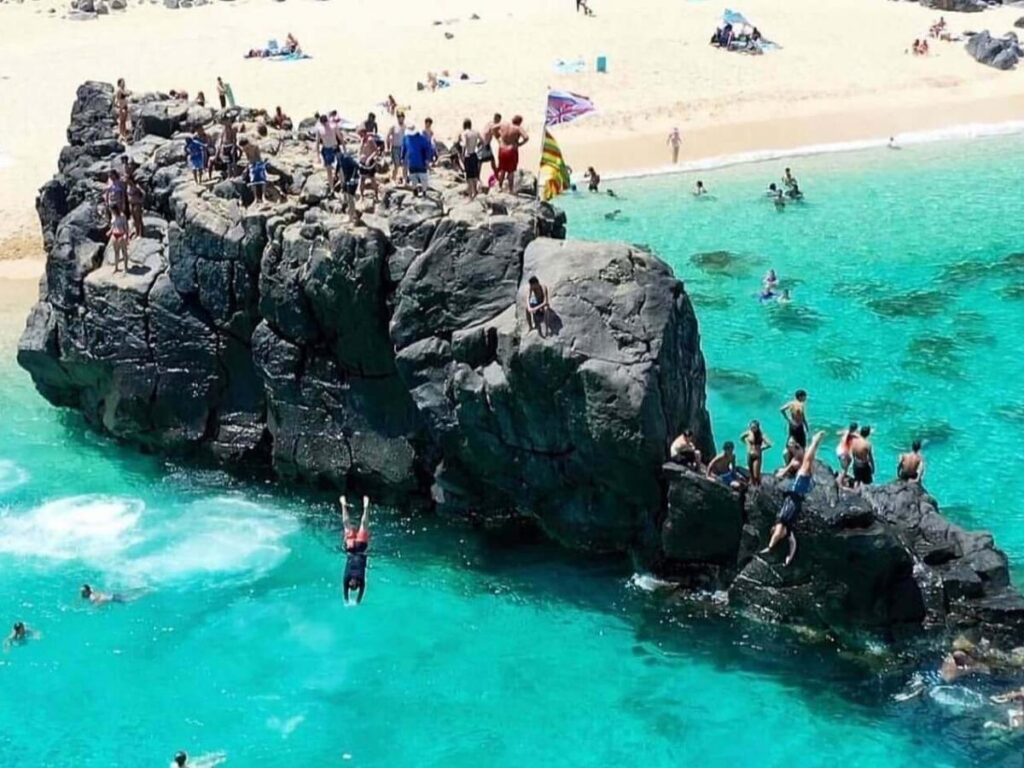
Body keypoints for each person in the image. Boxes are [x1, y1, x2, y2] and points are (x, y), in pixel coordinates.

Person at [761, 430, 825, 566]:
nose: (776, 530)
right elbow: (792, 544)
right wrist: (783, 555)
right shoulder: (786, 527)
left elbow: (787, 542)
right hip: (797, 493)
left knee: (807, 462)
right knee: (807, 462)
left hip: (796, 491)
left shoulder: (782, 523)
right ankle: (815, 441)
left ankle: (814, 441)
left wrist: (778, 552)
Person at [341, 496, 371, 604]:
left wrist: (348, 601)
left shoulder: (355, 579)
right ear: (355, 583)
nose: (350, 583)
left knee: (351, 526)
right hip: (356, 548)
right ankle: (363, 508)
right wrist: (355, 601)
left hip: (355, 548)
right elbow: (359, 592)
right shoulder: (356, 579)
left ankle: (346, 506)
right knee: (349, 526)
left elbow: (347, 591)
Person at [497, 116, 529, 193]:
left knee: (502, 169)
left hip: (502, 148)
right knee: (511, 171)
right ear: (520, 122)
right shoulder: (518, 128)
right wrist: (519, 144)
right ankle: (511, 190)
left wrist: (498, 137)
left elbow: (494, 128)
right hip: (511, 150)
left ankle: (499, 187)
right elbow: (526, 137)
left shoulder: (504, 124)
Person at [402, 123, 435, 196]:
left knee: (417, 178)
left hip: (416, 163)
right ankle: (419, 191)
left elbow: (403, 149)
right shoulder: (411, 138)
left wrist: (402, 158)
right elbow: (428, 148)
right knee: (418, 178)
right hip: (416, 163)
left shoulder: (410, 138)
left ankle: (419, 192)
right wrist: (428, 159)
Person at [740, 420, 773, 486]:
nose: (753, 428)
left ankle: (759, 486)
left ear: (758, 427)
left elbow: (769, 444)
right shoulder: (748, 433)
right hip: (749, 455)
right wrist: (747, 444)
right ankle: (753, 487)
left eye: (754, 427)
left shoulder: (761, 435)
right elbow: (741, 437)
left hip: (757, 456)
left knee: (756, 475)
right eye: (751, 427)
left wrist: (762, 448)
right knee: (751, 474)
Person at [316, 114, 342, 193]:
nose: (325, 124)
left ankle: (342, 185)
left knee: (341, 168)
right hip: (326, 149)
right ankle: (332, 188)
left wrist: (344, 148)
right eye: (323, 123)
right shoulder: (319, 129)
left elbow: (340, 138)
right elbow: (317, 143)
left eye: (325, 122)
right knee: (329, 170)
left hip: (335, 147)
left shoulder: (334, 126)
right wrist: (318, 156)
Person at [239, 137, 267, 205]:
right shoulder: (245, 150)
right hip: (251, 164)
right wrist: (248, 167)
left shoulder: (255, 146)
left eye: (245, 147)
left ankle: (263, 197)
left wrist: (256, 164)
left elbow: (258, 157)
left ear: (247, 144)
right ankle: (256, 198)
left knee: (262, 180)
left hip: (258, 163)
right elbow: (248, 158)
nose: (244, 149)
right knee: (253, 181)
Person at [460, 118, 483, 199]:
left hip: (468, 155)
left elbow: (464, 144)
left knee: (469, 177)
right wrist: (477, 147)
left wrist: (462, 155)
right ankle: (475, 192)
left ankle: (471, 195)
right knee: (475, 175)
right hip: (474, 154)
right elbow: (483, 141)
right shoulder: (475, 132)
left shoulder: (464, 133)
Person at [356, 128, 380, 201]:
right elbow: (360, 150)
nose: (360, 136)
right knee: (362, 180)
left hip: (369, 163)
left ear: (364, 133)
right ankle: (362, 196)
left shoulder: (370, 140)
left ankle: (376, 196)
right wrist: (359, 157)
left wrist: (369, 158)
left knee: (372, 179)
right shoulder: (362, 140)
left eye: (361, 134)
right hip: (362, 163)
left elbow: (376, 150)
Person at [336, 150, 360, 219]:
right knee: (346, 196)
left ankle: (350, 217)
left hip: (352, 180)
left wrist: (352, 177)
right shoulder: (339, 159)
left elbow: (356, 166)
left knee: (350, 198)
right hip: (346, 179)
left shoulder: (346, 158)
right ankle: (354, 214)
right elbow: (338, 168)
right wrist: (337, 176)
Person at [480, 113, 502, 179]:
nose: (499, 122)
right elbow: (495, 135)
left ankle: (496, 175)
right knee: (487, 160)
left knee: (488, 160)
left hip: (482, 143)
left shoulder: (489, 123)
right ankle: (497, 176)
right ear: (497, 119)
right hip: (485, 145)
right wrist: (500, 143)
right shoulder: (493, 125)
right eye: (499, 120)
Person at [387, 111, 407, 183]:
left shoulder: (406, 127)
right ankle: (393, 178)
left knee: (405, 164)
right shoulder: (393, 126)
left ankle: (405, 180)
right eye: (399, 117)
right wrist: (388, 147)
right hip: (395, 147)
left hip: (404, 148)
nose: (400, 119)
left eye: (402, 117)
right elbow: (388, 136)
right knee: (396, 165)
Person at [109, 206, 130, 273]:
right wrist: (110, 231)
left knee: (124, 251)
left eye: (112, 210)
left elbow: (126, 226)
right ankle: (116, 267)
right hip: (114, 234)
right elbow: (113, 225)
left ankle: (126, 268)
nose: (112, 211)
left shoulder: (122, 216)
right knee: (116, 252)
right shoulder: (113, 215)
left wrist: (126, 235)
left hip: (121, 234)